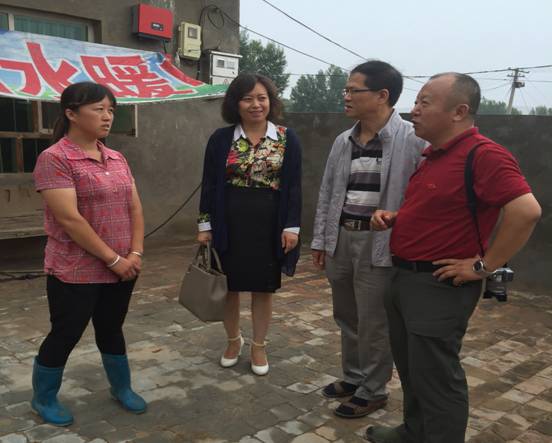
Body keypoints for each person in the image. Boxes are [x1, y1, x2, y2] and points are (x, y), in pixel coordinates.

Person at [366, 73, 541, 443]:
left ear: (459, 112)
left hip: (438, 285)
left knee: (437, 378)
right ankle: (414, 431)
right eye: (416, 101)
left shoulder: (484, 155)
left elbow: (526, 211)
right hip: (405, 278)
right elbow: (442, 208)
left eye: (424, 102)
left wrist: (483, 266)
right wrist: (398, 217)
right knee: (412, 368)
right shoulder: (434, 155)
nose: (414, 110)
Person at [311, 61, 425, 418]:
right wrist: (321, 239)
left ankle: (374, 390)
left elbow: (423, 197)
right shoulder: (343, 141)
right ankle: (354, 376)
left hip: (380, 244)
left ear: (382, 95)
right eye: (345, 90)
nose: (345, 96)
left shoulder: (413, 140)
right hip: (342, 238)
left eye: (352, 90)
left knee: (374, 321)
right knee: (346, 315)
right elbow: (328, 192)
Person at [31, 82, 147, 426]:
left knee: (111, 328)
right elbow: (70, 219)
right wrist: (114, 259)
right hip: (75, 269)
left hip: (123, 266)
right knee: (66, 333)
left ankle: (121, 387)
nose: (107, 116)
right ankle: (43, 398)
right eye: (98, 109)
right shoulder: (55, 158)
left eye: (111, 110)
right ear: (71, 113)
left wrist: (135, 252)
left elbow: (135, 207)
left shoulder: (116, 157)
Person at [197, 73, 302, 376]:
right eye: (247, 98)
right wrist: (204, 226)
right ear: (235, 103)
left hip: (269, 224)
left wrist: (292, 226)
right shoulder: (221, 139)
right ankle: (233, 340)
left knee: (262, 287)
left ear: (270, 101)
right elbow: (208, 185)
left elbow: (294, 186)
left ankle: (259, 345)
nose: (255, 104)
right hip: (228, 222)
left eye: (261, 98)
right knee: (228, 287)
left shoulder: (286, 138)